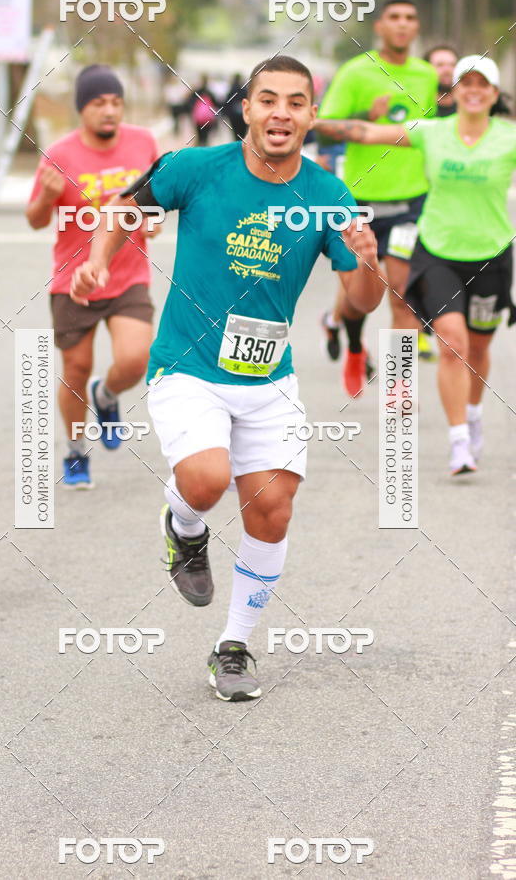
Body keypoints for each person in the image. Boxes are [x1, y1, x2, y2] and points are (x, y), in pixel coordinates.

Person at [71, 56, 383, 701]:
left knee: (272, 510)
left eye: (296, 103)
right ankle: (184, 527)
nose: (281, 114)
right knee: (207, 481)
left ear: (311, 115)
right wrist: (98, 262)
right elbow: (123, 212)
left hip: (269, 378)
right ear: (247, 108)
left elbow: (363, 301)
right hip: (187, 366)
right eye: (268, 100)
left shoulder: (328, 196)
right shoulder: (197, 168)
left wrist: (370, 265)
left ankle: (233, 645)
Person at [314, 55, 516, 476]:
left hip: (492, 255)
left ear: (494, 95)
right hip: (437, 251)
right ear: (455, 91)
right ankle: (458, 441)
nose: (474, 90)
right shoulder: (433, 132)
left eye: (483, 84)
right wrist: (303, 123)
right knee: (451, 343)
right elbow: (367, 132)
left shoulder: (508, 138)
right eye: (466, 83)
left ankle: (473, 415)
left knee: (478, 347)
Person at [26, 65, 159, 488]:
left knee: (136, 359)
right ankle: (76, 449)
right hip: (73, 281)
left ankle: (107, 395)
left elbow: (156, 198)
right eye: (99, 103)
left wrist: (153, 219)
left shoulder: (143, 143)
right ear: (82, 108)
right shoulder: (60, 155)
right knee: (76, 367)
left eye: (116, 102)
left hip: (128, 275)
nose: (109, 111)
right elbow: (33, 220)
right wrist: (47, 197)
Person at [317, 0, 438, 396]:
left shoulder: (426, 76)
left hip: (409, 203)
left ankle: (398, 390)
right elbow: (324, 125)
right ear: (380, 26)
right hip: (360, 202)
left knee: (401, 298)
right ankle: (351, 343)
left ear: (416, 28)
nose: (403, 25)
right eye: (394, 18)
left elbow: (433, 136)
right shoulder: (356, 72)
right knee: (359, 294)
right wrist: (367, 117)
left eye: (410, 18)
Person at [425, 45, 459, 117]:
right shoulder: (419, 108)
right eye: (440, 65)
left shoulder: (468, 108)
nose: (447, 70)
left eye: (452, 65)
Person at [189, 75, 219, 146]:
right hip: (208, 118)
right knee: (206, 134)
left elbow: (190, 102)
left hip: (198, 117)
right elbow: (215, 104)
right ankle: (205, 145)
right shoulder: (210, 92)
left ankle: (200, 145)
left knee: (199, 134)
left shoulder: (197, 91)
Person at [223, 73, 247, 141]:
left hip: (233, 116)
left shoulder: (231, 90)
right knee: (243, 132)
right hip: (242, 115)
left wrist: (226, 114)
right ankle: (241, 144)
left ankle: (237, 143)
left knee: (235, 133)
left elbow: (226, 103)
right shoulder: (244, 90)